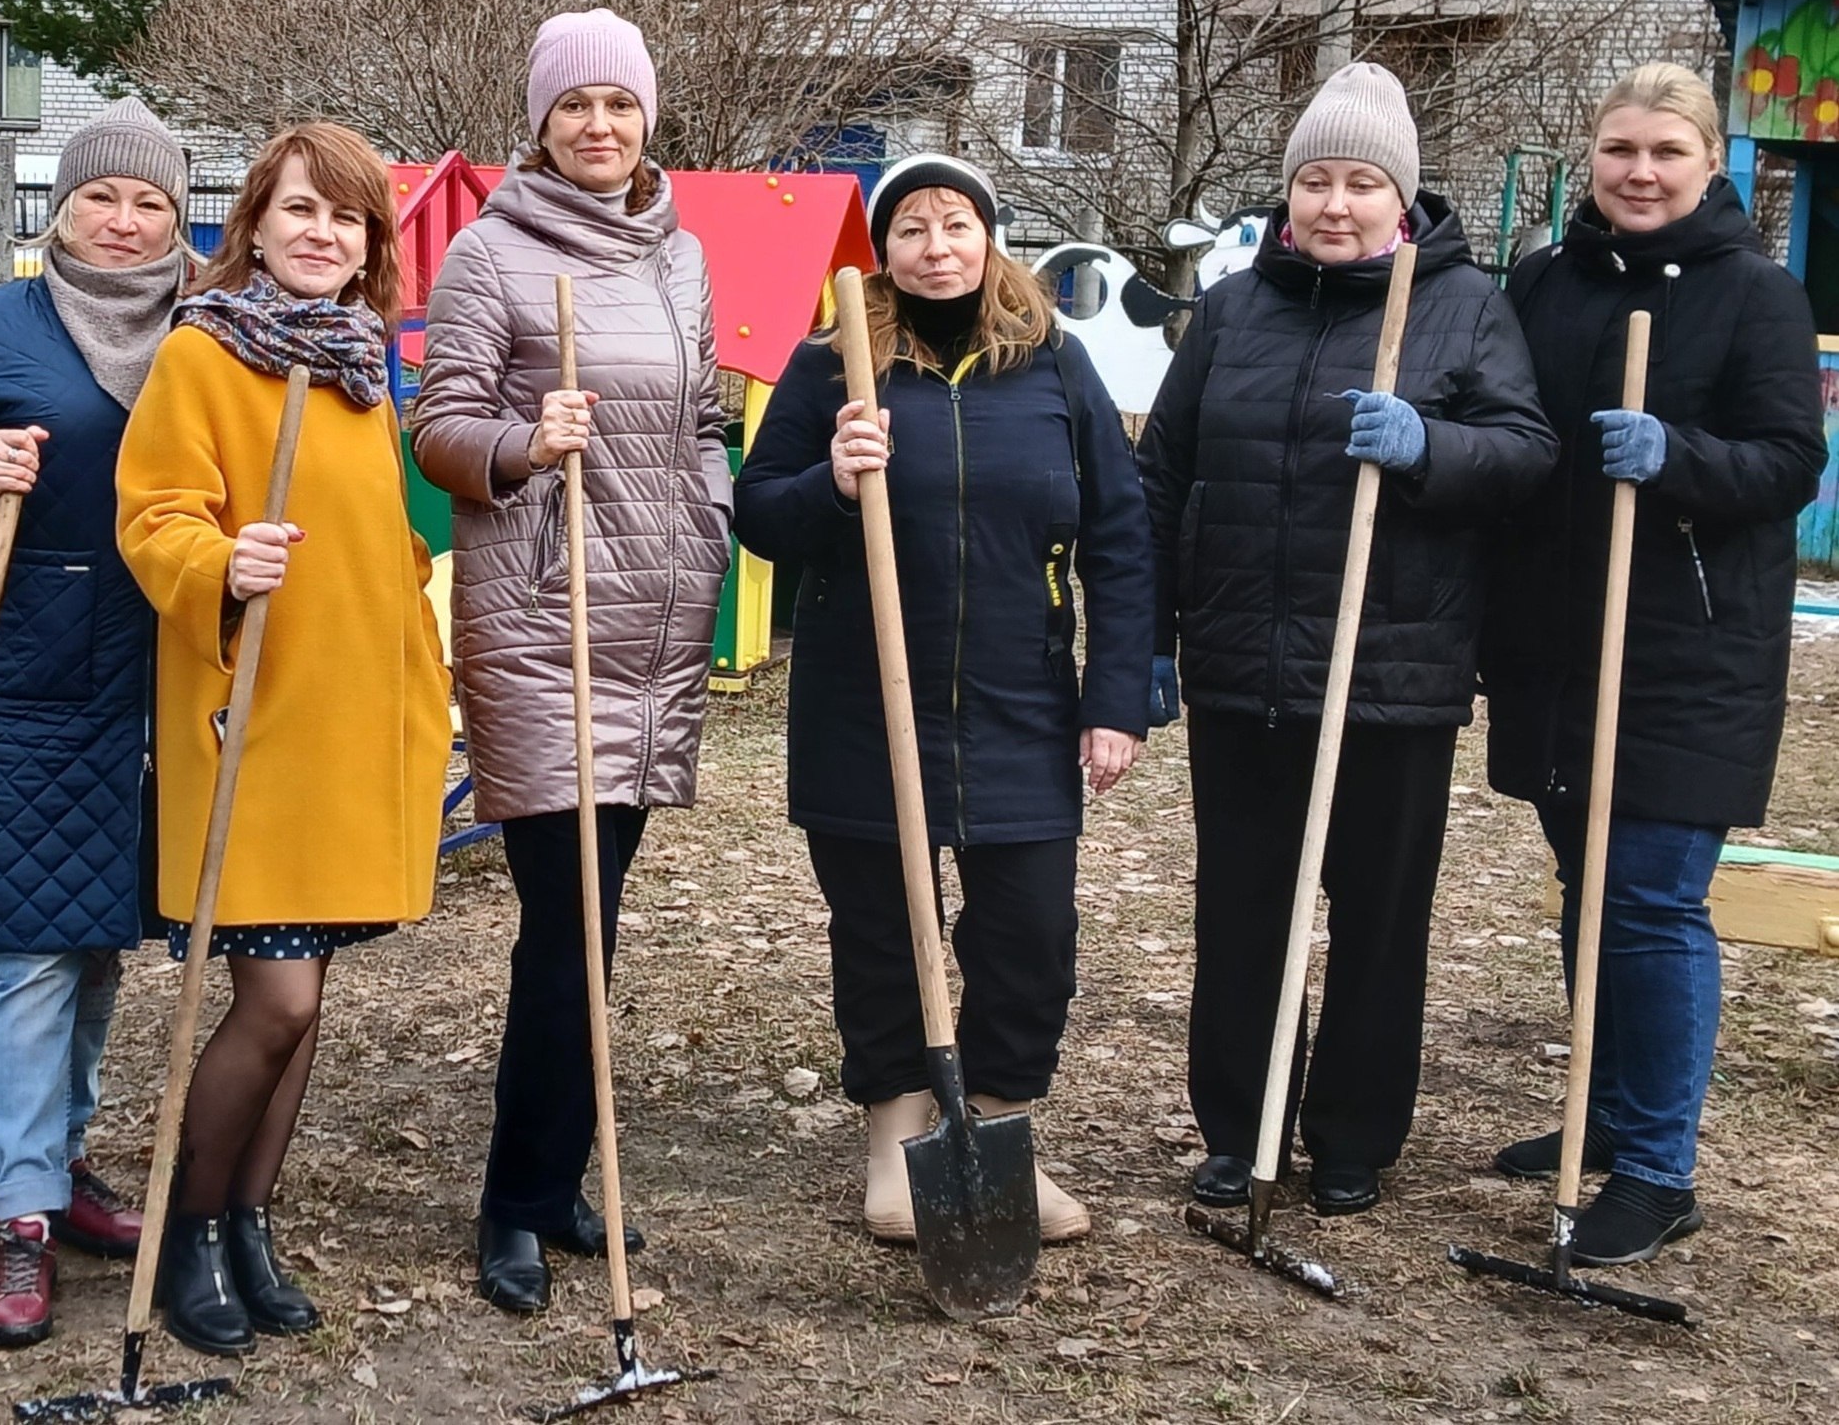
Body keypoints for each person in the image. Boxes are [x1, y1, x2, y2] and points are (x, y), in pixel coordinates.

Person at [1137, 64, 1556, 1218]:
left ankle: (1357, 1138)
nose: (1334, 204)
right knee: (1244, 912)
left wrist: (1430, 446)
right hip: (1245, 672)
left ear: (1401, 197)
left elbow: (1524, 453)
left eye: (1361, 182)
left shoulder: (1465, 306)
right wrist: (1154, 636)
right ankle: (1243, 1130)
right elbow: (1164, 474)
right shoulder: (1231, 310)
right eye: (1313, 180)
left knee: (1376, 919)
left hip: (1391, 677)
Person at [734, 154, 1153, 1245]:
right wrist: (830, 478)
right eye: (911, 226)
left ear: (989, 238)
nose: (935, 245)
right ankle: (897, 1142)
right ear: (884, 250)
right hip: (864, 697)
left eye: (955, 224)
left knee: (1031, 934)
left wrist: (1116, 698)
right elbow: (759, 516)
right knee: (879, 930)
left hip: (1020, 697)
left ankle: (1004, 1129)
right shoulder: (837, 364)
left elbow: (1119, 532)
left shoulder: (1055, 366)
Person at [410, 9, 732, 1315]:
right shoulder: (490, 254)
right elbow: (439, 428)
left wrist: (706, 513)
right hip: (547, 626)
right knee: (564, 928)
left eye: (618, 103)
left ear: (647, 117)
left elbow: (705, 415)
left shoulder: (683, 256)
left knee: (589, 932)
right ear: (537, 124)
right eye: (572, 106)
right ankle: (514, 1198)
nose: (598, 126)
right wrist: (522, 445)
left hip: (653, 625)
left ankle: (553, 1179)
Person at [1480, 62, 1824, 1266]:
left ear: (1708, 163)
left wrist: (1675, 454)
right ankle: (1605, 1114)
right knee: (1590, 895)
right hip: (1557, 644)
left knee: (1651, 903)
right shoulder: (1544, 283)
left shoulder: (1758, 296)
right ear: (1592, 157)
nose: (1639, 172)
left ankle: (1660, 1168)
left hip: (1689, 649)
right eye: (1620, 149)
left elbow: (1789, 463)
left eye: (1666, 153)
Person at [115, 122, 451, 1357]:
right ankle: (188, 1228)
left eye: (348, 219)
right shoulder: (204, 356)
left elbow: (372, 527)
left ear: (369, 249)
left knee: (308, 1009)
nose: (322, 233)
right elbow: (154, 516)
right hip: (251, 721)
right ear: (253, 221)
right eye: (300, 209)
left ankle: (249, 1219)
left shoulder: (361, 369)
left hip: (355, 722)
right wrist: (220, 559)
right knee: (273, 998)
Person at [0, 104, 191, 1348]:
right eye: (101, 198)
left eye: (152, 205)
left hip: (164, 684)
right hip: (26, 683)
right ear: (59, 207)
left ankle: (60, 1172)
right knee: (27, 956)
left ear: (180, 220)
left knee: (105, 942)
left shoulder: (209, 332)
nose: (124, 222)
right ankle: (19, 1213)